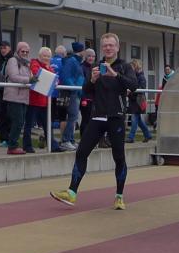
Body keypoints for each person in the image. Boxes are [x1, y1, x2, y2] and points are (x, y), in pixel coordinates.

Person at [50, 33, 137, 210]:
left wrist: (115, 75)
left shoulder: (124, 66)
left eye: (111, 45)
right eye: (105, 45)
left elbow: (133, 86)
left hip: (116, 117)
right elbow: (86, 90)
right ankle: (71, 192)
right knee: (81, 152)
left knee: (119, 157)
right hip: (97, 116)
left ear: (117, 47)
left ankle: (119, 196)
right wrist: (92, 80)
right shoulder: (96, 66)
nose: (108, 48)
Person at [27, 47, 61, 153]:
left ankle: (53, 146)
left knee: (48, 125)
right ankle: (27, 146)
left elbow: (56, 79)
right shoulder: (34, 63)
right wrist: (52, 78)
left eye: (48, 56)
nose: (46, 58)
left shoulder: (48, 67)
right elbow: (38, 75)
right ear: (39, 56)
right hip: (33, 100)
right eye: (44, 56)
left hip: (44, 101)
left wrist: (54, 80)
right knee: (29, 125)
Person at [2, 42, 32, 154]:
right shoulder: (13, 60)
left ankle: (13, 145)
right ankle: (12, 146)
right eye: (22, 51)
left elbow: (30, 78)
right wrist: (29, 80)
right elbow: (13, 76)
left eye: (27, 51)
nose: (25, 53)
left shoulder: (27, 63)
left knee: (20, 122)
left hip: (23, 97)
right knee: (17, 121)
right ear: (18, 51)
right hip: (13, 97)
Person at [58, 41, 86, 150]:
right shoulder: (72, 61)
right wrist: (74, 89)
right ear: (81, 51)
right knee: (72, 117)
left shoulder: (76, 61)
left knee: (74, 117)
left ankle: (70, 139)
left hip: (76, 92)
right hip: (72, 93)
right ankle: (66, 140)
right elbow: (66, 77)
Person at [126, 58, 151, 143]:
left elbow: (142, 88)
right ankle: (148, 135)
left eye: (132, 67)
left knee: (134, 119)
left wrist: (131, 91)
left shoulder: (141, 77)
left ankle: (131, 137)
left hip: (138, 101)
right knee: (138, 120)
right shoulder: (135, 76)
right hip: (134, 100)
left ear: (136, 66)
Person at [79, 48, 96, 133]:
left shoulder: (94, 67)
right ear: (85, 57)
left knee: (91, 120)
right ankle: (84, 138)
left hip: (93, 97)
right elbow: (83, 83)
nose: (91, 58)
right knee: (85, 119)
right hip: (85, 97)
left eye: (93, 56)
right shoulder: (82, 67)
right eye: (89, 56)